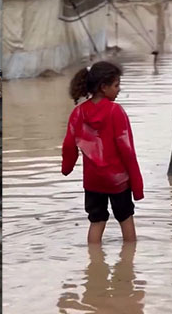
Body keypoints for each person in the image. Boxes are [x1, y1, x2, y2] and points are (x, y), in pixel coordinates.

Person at [61, 62, 144, 245]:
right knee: (125, 218)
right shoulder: (116, 112)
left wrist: (66, 168)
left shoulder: (78, 113)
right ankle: (129, 264)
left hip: (93, 181)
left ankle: (94, 263)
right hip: (117, 181)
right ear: (103, 87)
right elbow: (127, 151)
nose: (119, 90)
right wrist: (137, 186)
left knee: (96, 221)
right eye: (116, 85)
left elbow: (68, 145)